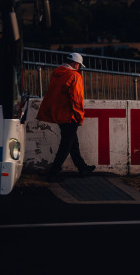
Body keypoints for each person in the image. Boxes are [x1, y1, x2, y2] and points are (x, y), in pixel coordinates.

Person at [36, 52, 96, 182]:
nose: (79, 68)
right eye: (79, 66)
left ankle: (82, 167)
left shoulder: (56, 73)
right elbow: (76, 99)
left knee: (73, 142)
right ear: (76, 64)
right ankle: (53, 173)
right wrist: (80, 116)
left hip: (58, 114)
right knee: (66, 144)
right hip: (70, 115)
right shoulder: (74, 75)